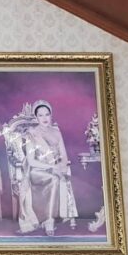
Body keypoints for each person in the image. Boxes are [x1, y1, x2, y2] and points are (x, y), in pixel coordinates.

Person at [21, 100, 79, 236]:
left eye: (47, 114)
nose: (44, 118)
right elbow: (31, 161)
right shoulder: (31, 134)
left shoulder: (56, 132)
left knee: (57, 177)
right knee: (54, 179)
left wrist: (62, 167)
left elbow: (64, 155)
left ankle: (51, 218)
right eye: (40, 115)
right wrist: (52, 167)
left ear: (51, 115)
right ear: (36, 117)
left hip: (55, 169)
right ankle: (49, 220)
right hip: (37, 171)